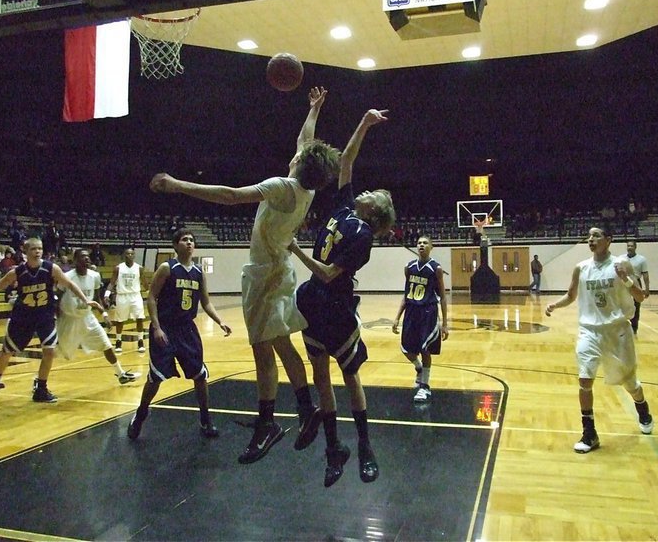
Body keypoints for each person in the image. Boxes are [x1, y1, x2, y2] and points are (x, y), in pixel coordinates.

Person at [149, 87, 341, 464]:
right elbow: (304, 141)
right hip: (281, 270)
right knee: (283, 345)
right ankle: (305, 410)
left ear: (300, 167)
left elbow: (231, 196)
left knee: (263, 351)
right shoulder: (307, 190)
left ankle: (269, 424)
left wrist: (177, 185)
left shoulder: (282, 187)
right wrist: (314, 110)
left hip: (264, 275)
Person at [290, 107, 395, 487]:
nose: (366, 190)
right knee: (321, 378)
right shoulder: (345, 206)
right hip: (313, 300)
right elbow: (347, 159)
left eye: (374, 193)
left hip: (336, 306)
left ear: (376, 210)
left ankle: (365, 445)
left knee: (350, 376)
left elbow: (331, 273)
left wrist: (297, 250)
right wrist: (363, 123)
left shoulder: (364, 237)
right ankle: (334, 449)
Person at [545, 226, 654, 453]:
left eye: (596, 235)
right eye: (589, 236)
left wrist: (625, 279)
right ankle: (589, 433)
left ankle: (642, 409)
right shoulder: (581, 268)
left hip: (617, 331)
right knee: (585, 380)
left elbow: (640, 297)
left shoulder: (622, 266)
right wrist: (555, 304)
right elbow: (571, 295)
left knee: (630, 383)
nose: (591, 239)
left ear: (609, 240)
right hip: (589, 331)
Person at [127, 228, 232, 440]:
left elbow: (206, 302)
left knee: (200, 375)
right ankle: (140, 414)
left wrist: (220, 321)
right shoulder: (167, 268)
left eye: (192, 240)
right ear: (175, 245)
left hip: (187, 329)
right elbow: (151, 297)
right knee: (156, 378)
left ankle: (205, 420)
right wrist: (156, 327)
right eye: (185, 240)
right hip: (165, 328)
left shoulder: (199, 272)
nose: (189, 243)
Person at [0, 237, 103, 403]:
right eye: (33, 249)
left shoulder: (51, 268)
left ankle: (41, 388)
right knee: (7, 351)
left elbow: (70, 284)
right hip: (23, 317)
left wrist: (85, 300)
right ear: (25, 252)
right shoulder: (18, 272)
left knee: (49, 351)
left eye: (40, 249)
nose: (37, 252)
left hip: (44, 316)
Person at [55, 248, 139, 385]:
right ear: (75, 260)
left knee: (106, 344)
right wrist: (56, 319)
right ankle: (39, 379)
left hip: (87, 317)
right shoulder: (67, 277)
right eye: (83, 257)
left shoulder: (94, 276)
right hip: (69, 319)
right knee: (57, 352)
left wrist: (104, 315)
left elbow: (96, 298)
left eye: (88, 256)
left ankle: (120, 374)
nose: (87, 259)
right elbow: (57, 298)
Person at [391, 235, 449, 403]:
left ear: (431, 247)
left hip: (428, 312)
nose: (421, 245)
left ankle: (425, 387)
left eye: (425, 243)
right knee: (406, 349)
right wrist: (396, 317)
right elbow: (406, 293)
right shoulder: (409, 267)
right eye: (419, 243)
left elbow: (443, 298)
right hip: (411, 311)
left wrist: (445, 324)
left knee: (425, 349)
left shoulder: (436, 269)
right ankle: (419, 368)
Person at [105, 248, 147, 353]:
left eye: (132, 253)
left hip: (135, 295)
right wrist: (107, 294)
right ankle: (118, 341)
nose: (130, 255)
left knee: (140, 318)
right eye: (127, 253)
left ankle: (140, 341)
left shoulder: (139, 268)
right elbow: (112, 282)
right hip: (122, 296)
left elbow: (144, 282)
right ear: (124, 255)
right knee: (120, 320)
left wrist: (150, 294)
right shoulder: (118, 268)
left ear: (134, 255)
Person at [622, 241, 649, 335]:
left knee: (636, 306)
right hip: (623, 282)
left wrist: (647, 288)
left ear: (635, 247)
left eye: (631, 246)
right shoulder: (621, 258)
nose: (629, 247)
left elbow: (645, 274)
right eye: (628, 246)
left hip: (636, 282)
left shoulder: (641, 259)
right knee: (622, 303)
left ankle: (634, 328)